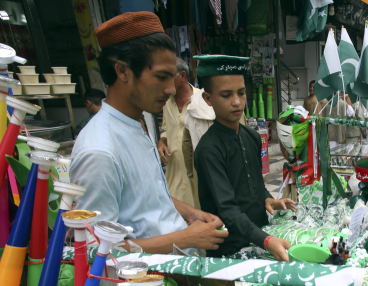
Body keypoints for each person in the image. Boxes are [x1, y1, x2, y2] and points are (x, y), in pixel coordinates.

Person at [71, 11, 227, 254]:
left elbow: (148, 198)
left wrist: (191, 213)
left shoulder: (136, 122)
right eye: (161, 77)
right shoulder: (99, 151)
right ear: (122, 71)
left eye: (172, 77)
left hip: (178, 270)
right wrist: (184, 239)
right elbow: (95, 251)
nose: (169, 88)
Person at [193, 55, 295, 261]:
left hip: (259, 237)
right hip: (229, 249)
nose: (237, 101)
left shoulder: (252, 137)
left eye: (241, 92)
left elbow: (256, 182)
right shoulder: (208, 149)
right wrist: (266, 240)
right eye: (226, 95)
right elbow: (227, 210)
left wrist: (267, 198)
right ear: (208, 99)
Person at [181, 84, 247, 210]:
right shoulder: (234, 111)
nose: (236, 101)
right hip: (234, 166)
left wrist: (191, 172)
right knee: (235, 207)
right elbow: (242, 138)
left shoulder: (191, 109)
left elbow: (187, 144)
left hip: (202, 168)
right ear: (208, 98)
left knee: (211, 210)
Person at [156, 57, 197, 207]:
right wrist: (162, 142)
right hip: (174, 171)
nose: (164, 82)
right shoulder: (166, 102)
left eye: (168, 76)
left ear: (182, 76)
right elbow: (167, 129)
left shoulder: (201, 100)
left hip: (196, 172)